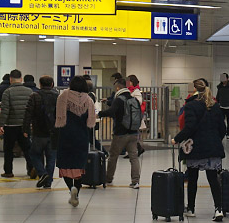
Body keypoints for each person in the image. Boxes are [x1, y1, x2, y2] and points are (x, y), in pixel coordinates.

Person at [174, 78, 228, 222]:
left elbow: (189, 127)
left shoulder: (191, 106)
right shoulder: (215, 105)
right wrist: (215, 139)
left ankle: (191, 209)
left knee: (192, 179)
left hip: (196, 147)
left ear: (194, 90)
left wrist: (177, 138)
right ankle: (218, 209)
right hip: (212, 147)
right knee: (213, 179)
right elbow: (223, 129)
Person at [54, 74, 98, 206]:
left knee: (65, 165)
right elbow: (91, 121)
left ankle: (71, 188)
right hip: (82, 137)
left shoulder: (64, 96)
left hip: (66, 136)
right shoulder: (88, 100)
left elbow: (58, 116)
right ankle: (76, 192)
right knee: (79, 166)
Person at [104, 78, 143, 189]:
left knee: (113, 156)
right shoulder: (134, 99)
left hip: (120, 134)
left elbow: (111, 112)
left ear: (118, 88)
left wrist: (100, 114)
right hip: (133, 133)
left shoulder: (119, 100)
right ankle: (135, 181)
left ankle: (108, 178)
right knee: (134, 158)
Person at [24, 75, 60, 188]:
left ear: (40, 84)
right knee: (51, 157)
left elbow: (28, 114)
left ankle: (43, 173)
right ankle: (48, 182)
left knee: (34, 154)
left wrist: (25, 129)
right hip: (54, 132)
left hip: (38, 131)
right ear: (52, 84)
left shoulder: (35, 96)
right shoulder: (58, 96)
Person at [0, 69, 36, 178]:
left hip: (11, 125)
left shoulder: (7, 92)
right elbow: (32, 109)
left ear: (10, 79)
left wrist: (1, 124)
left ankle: (8, 171)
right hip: (25, 126)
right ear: (21, 79)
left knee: (8, 149)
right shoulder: (29, 91)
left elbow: (5, 110)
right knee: (27, 148)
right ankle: (31, 169)